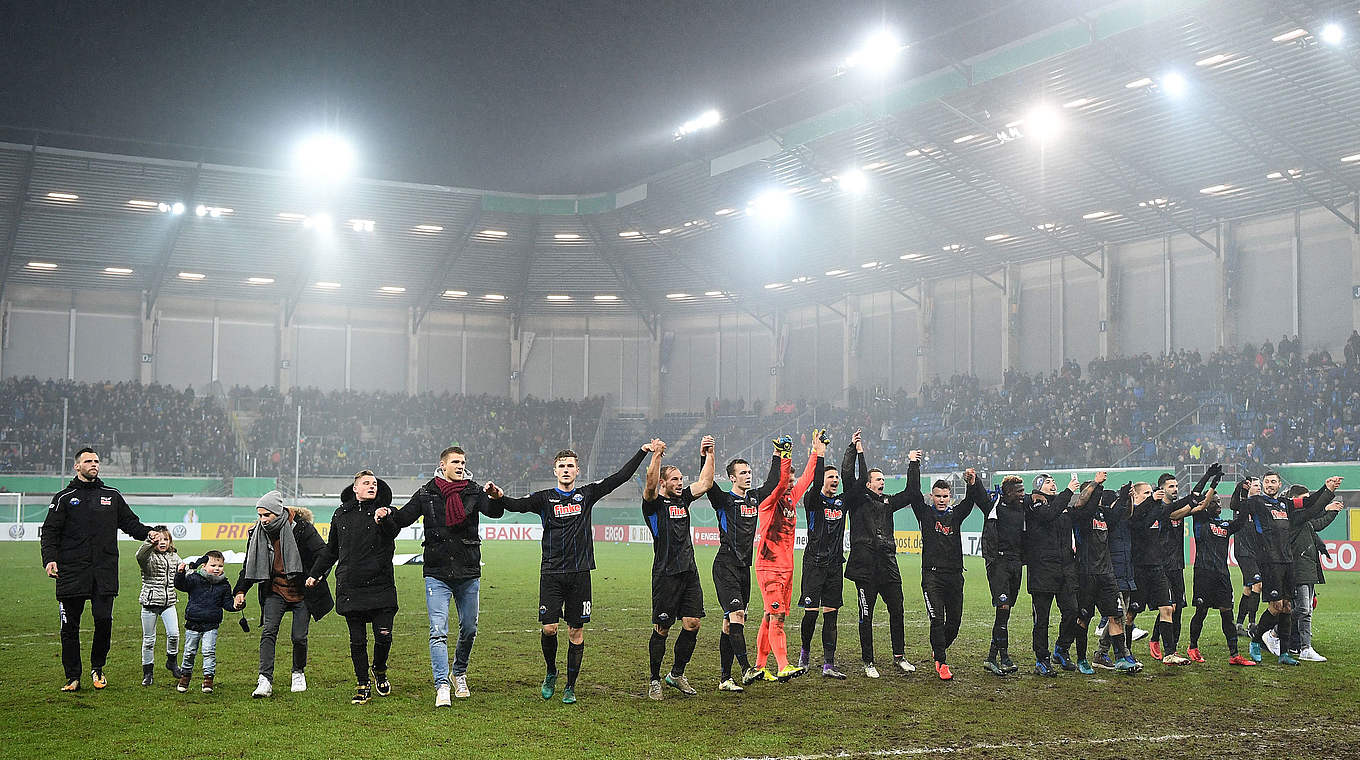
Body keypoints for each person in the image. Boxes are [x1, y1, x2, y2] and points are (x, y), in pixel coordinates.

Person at [487, 441, 653, 704]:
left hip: (580, 574)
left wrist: (642, 452)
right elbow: (517, 505)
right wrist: (499, 497)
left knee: (576, 632)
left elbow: (620, 477)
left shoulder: (586, 495)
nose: (566, 470)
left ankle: (570, 686)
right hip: (551, 573)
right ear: (555, 470)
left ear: (578, 471)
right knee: (550, 628)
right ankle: (551, 671)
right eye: (561, 466)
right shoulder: (543, 499)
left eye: (570, 466)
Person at [387, 447, 501, 706]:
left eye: (463, 462)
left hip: (468, 571)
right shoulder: (427, 492)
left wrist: (494, 497)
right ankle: (441, 685)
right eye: (455, 462)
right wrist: (386, 513)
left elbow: (494, 512)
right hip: (437, 572)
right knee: (438, 631)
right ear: (443, 464)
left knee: (469, 629)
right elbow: (403, 518)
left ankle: (458, 672)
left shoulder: (474, 490)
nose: (460, 466)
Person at [40, 447, 152, 691]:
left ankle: (97, 667)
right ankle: (73, 677)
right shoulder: (63, 498)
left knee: (103, 621)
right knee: (69, 627)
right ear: (77, 466)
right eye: (88, 461)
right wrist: (50, 559)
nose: (94, 464)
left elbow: (130, 523)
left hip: (104, 572)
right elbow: (49, 532)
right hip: (70, 573)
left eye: (96, 461)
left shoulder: (111, 495)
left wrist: (149, 532)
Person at [307, 470, 401, 704]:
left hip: (381, 585)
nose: (372, 486)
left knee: (384, 636)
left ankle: (379, 669)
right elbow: (331, 549)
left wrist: (385, 517)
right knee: (357, 640)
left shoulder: (387, 512)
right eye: (366, 483)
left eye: (375, 484)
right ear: (355, 488)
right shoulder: (341, 514)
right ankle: (362, 684)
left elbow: (394, 531)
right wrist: (316, 573)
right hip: (350, 585)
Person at [233, 490, 333, 699]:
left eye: (266, 515)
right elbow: (249, 565)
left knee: (299, 636)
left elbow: (323, 554)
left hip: (302, 590)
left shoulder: (303, 529)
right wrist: (241, 590)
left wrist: (315, 576)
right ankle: (265, 679)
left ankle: (298, 672)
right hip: (274, 589)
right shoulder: (256, 533)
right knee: (269, 631)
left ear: (277, 513)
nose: (262, 520)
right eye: (260, 515)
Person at [641, 435, 716, 700]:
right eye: (674, 479)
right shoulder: (653, 505)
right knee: (662, 628)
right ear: (663, 482)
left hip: (689, 572)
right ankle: (654, 679)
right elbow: (649, 486)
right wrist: (657, 455)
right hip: (665, 575)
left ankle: (676, 674)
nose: (680, 482)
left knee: (693, 623)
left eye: (681, 478)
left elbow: (706, 482)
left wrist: (709, 453)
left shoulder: (683, 499)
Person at [704, 442, 783, 691]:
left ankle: (725, 678)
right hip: (725, 565)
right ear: (731, 478)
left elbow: (772, 484)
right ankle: (747, 669)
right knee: (736, 616)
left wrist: (777, 455)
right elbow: (707, 483)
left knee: (731, 624)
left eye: (749, 473)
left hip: (743, 570)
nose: (748, 476)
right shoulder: (723, 500)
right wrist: (706, 455)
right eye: (743, 473)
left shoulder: (753, 498)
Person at [900, 456, 987, 680]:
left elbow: (971, 500)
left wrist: (973, 482)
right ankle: (942, 662)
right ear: (932, 496)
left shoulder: (956, 515)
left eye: (945, 496)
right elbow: (912, 491)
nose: (941, 500)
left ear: (951, 497)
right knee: (937, 619)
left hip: (955, 576)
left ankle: (938, 648)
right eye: (937, 496)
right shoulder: (925, 513)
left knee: (954, 623)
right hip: (932, 577)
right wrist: (914, 465)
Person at [1240, 472, 1341, 665]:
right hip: (1270, 562)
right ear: (1263, 484)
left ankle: (1284, 653)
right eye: (1267, 482)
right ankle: (1257, 638)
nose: (1270, 485)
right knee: (1276, 607)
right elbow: (1238, 506)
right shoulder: (1258, 502)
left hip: (1288, 562)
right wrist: (1245, 492)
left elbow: (1310, 506)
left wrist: (1327, 490)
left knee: (1287, 607)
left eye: (1273, 482)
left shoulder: (1285, 505)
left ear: (1279, 485)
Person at [843, 429, 916, 677]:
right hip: (864, 567)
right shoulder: (856, 500)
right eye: (877, 479)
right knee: (867, 614)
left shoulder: (888, 502)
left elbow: (912, 493)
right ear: (867, 483)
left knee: (898, 609)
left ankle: (899, 656)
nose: (881, 482)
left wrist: (913, 464)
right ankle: (868, 662)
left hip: (888, 564)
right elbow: (849, 475)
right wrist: (856, 451)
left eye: (883, 479)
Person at [753, 433, 822, 682]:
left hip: (786, 568)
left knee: (768, 616)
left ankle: (759, 667)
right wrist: (786, 454)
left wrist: (816, 451)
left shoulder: (792, 499)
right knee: (777, 617)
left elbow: (808, 478)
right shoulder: (769, 501)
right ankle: (783, 666)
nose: (791, 484)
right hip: (769, 566)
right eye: (788, 481)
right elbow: (781, 483)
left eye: (792, 481)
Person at [1025, 474, 1094, 677]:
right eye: (1047, 482)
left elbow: (1080, 513)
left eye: (1053, 481)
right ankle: (1042, 659)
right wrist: (1069, 491)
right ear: (1038, 486)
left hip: (1065, 570)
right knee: (1042, 619)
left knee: (1072, 611)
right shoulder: (1034, 502)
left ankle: (1061, 649)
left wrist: (1095, 488)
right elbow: (1048, 515)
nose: (1053, 484)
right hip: (1042, 571)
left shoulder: (1062, 505)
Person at [1264, 488, 1343, 662]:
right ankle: (1274, 633)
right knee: (1302, 609)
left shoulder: (1303, 520)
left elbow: (1317, 524)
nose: (1308, 503)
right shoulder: (1293, 518)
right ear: (1293, 500)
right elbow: (1315, 517)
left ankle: (1303, 646)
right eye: (1304, 499)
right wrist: (1328, 507)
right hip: (1297, 568)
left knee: (1305, 610)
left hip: (1307, 567)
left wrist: (1331, 512)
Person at [1070, 473, 1137, 674]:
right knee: (1083, 617)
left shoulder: (1103, 514)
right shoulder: (1079, 515)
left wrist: (1125, 495)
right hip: (1086, 573)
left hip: (1106, 574)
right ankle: (1082, 659)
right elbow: (1084, 503)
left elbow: (1117, 514)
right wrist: (1096, 484)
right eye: (1093, 492)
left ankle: (1120, 659)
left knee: (1116, 616)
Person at [1149, 467, 1217, 663]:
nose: (1175, 488)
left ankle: (1172, 648)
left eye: (1177, 485)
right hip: (1162, 566)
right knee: (1168, 606)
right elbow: (1185, 507)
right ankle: (1155, 640)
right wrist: (1204, 480)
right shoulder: (1162, 510)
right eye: (1171, 486)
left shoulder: (1177, 509)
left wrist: (1212, 485)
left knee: (1177, 607)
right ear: (1162, 489)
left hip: (1177, 565)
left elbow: (1199, 505)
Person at [1186, 486, 1255, 666]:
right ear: (1206, 504)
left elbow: (1240, 520)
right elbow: (1198, 502)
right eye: (1214, 502)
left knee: (1227, 614)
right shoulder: (1200, 520)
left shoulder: (1225, 525)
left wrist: (1244, 495)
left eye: (1219, 502)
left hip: (1222, 576)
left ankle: (1234, 655)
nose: (1218, 504)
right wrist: (1211, 486)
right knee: (1201, 612)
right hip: (1203, 573)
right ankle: (1192, 647)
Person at [797, 452, 848, 680]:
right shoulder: (813, 500)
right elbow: (816, 482)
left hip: (835, 566)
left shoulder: (841, 502)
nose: (835, 480)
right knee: (811, 614)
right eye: (831, 477)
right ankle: (805, 654)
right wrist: (820, 457)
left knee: (831, 615)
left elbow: (852, 482)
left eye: (837, 477)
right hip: (814, 565)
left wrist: (855, 452)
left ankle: (829, 663)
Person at [174, 550, 242, 694]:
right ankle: (185, 678)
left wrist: (236, 606)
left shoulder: (224, 585)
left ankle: (208, 680)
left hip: (211, 625)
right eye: (213, 565)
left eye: (220, 566)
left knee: (208, 652)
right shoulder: (195, 579)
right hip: (193, 622)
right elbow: (180, 585)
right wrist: (180, 573)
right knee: (189, 652)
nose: (217, 569)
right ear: (204, 566)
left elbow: (227, 603)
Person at [981, 475, 1025, 676]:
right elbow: (981, 499)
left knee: (1005, 613)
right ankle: (1004, 657)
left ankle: (992, 657)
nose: (1022, 494)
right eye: (1019, 491)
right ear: (1008, 493)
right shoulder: (996, 507)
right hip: (999, 563)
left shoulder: (1023, 510)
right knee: (1003, 607)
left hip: (1016, 563)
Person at [136, 526, 182, 686]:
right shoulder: (148, 557)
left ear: (170, 541)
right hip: (150, 603)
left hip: (169, 603)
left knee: (174, 634)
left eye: (166, 539)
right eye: (159, 539)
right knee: (149, 641)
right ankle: (147, 673)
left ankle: (172, 662)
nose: (163, 542)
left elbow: (183, 572)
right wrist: (149, 541)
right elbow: (139, 555)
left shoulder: (175, 557)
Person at [1233, 477, 1264, 639]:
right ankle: (1252, 623)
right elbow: (1234, 503)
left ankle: (1238, 624)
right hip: (1244, 552)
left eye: (1259, 485)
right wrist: (1241, 488)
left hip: (1256, 552)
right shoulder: (1241, 505)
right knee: (1258, 585)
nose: (1258, 487)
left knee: (1248, 588)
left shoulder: (1260, 505)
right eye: (1254, 485)